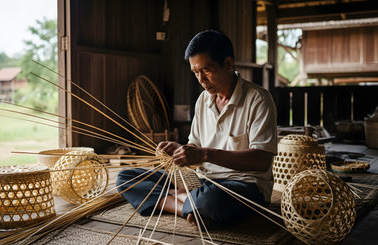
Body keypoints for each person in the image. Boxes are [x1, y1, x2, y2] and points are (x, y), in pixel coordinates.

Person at [117, 30, 277, 228]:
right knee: (126, 177)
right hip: (202, 181)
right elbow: (196, 145)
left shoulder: (258, 99)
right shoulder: (203, 100)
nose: (201, 79)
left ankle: (187, 201)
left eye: (206, 70)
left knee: (212, 202)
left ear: (228, 64)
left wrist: (205, 154)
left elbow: (261, 161)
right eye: (195, 72)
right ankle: (187, 205)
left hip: (244, 187)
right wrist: (180, 149)